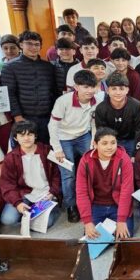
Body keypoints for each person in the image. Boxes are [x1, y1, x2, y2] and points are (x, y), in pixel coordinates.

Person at [48, 70, 99, 223]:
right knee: (68, 174)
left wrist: (93, 140)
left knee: (93, 167)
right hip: (64, 138)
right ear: (76, 86)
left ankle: (92, 199)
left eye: (92, 87)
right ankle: (71, 206)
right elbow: (53, 126)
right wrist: (57, 148)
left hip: (84, 136)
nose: (90, 91)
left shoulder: (96, 100)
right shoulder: (63, 101)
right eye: (85, 87)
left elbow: (94, 122)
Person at [1, 31, 62, 144]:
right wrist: (17, 116)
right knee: (25, 152)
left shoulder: (48, 66)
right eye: (29, 44)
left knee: (48, 150)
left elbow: (54, 92)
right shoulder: (9, 67)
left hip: (47, 117)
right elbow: (9, 94)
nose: (33, 47)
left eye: (36, 44)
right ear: (21, 45)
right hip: (24, 118)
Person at [0, 120, 62, 228]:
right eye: (22, 135)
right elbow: (7, 184)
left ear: (35, 136)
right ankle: (28, 214)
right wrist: (17, 203)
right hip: (24, 194)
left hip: (44, 194)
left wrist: (53, 192)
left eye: (30, 134)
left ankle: (51, 210)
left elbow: (57, 175)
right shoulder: (11, 158)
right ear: (15, 138)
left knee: (46, 224)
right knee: (7, 220)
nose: (26, 138)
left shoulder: (46, 151)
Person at [76, 127, 135, 240]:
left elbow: (126, 191)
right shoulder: (86, 161)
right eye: (104, 143)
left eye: (113, 143)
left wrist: (121, 219)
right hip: (96, 205)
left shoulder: (124, 159)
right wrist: (87, 221)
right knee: (94, 240)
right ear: (95, 144)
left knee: (124, 238)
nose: (109, 147)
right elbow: (81, 192)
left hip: (117, 204)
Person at [95, 72, 140, 158]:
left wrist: (135, 153)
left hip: (131, 140)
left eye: (121, 89)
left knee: (131, 164)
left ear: (127, 90)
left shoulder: (136, 105)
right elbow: (101, 132)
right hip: (111, 141)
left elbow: (139, 130)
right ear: (107, 90)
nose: (118, 92)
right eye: (114, 89)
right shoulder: (101, 108)